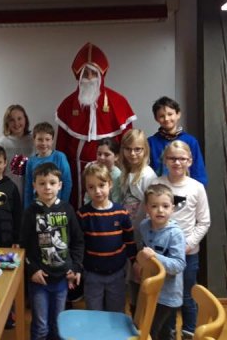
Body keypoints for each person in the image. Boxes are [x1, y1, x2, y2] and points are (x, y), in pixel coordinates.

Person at [55, 42, 136, 209]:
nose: (90, 78)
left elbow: (128, 142)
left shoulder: (118, 102)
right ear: (79, 76)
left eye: (94, 73)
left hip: (111, 167)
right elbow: (61, 146)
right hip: (77, 169)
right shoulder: (67, 105)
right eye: (85, 73)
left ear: (101, 75)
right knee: (80, 205)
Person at [20, 162, 84, 340]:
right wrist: (32, 270)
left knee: (58, 324)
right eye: (42, 183)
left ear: (60, 185)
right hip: (39, 279)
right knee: (41, 327)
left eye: (52, 183)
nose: (47, 187)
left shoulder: (67, 209)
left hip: (62, 278)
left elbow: (78, 242)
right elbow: (23, 246)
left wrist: (76, 267)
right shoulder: (30, 212)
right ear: (34, 186)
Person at [154, 140, 211, 340]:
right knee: (166, 297)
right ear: (165, 160)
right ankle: (168, 333)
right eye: (172, 158)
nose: (177, 162)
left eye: (181, 158)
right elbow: (149, 218)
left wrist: (188, 245)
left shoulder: (197, 188)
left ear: (190, 161)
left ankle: (189, 333)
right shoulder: (156, 185)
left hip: (188, 254)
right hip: (162, 254)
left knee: (187, 295)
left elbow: (204, 221)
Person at [77, 163, 136, 312]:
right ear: (86, 189)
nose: (97, 191)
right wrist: (77, 267)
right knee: (94, 313)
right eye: (91, 187)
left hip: (117, 274)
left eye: (101, 185)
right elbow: (78, 244)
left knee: (116, 312)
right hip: (92, 275)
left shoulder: (121, 213)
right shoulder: (83, 214)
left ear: (110, 184)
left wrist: (135, 262)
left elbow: (129, 241)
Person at [138, 183, 186, 340]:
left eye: (165, 206)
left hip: (168, 295)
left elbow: (178, 265)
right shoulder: (144, 226)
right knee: (162, 331)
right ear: (147, 208)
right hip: (150, 290)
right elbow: (143, 248)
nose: (160, 210)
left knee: (151, 330)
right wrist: (139, 263)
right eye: (154, 206)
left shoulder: (175, 234)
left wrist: (155, 257)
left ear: (172, 208)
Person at [119, 128, 158, 310]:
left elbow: (152, 210)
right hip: (127, 234)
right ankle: (134, 311)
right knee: (131, 277)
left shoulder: (148, 175)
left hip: (142, 237)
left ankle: (142, 317)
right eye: (128, 149)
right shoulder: (123, 173)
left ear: (145, 150)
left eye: (137, 149)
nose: (133, 154)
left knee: (140, 276)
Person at [147, 96, 208, 187]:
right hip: (160, 191)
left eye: (170, 114)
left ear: (178, 114)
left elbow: (198, 172)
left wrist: (197, 189)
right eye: (161, 116)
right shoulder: (151, 142)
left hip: (186, 190)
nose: (166, 118)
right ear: (156, 118)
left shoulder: (191, 141)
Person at [24, 122, 72, 208]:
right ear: (34, 140)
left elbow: (67, 182)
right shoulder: (31, 161)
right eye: (40, 139)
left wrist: (63, 205)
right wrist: (27, 208)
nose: (43, 143)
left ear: (52, 140)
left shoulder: (60, 157)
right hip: (38, 205)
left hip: (56, 205)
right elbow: (28, 187)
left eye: (47, 139)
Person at [0, 104, 34, 201]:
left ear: (25, 119)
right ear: (7, 122)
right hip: (9, 188)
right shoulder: (2, 142)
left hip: (30, 187)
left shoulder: (34, 140)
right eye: (12, 120)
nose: (16, 123)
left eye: (19, 118)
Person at [83, 137, 122, 204]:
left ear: (116, 157)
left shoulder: (117, 175)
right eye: (99, 154)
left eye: (106, 155)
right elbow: (88, 196)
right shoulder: (91, 170)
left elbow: (117, 200)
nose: (101, 157)